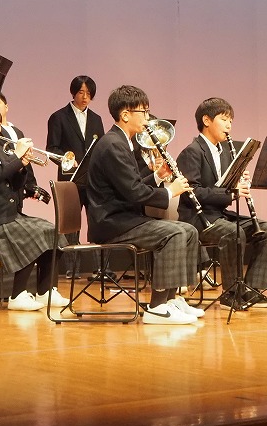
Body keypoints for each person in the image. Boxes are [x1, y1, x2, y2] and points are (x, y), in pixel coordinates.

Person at [85, 85, 208, 325]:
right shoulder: (113, 144)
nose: (148, 118)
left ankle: (172, 299)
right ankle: (157, 307)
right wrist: (169, 192)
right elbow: (133, 192)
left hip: (124, 219)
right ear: (125, 114)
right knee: (173, 233)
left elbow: (132, 184)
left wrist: (158, 176)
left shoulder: (123, 142)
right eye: (144, 112)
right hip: (112, 223)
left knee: (189, 230)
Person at [0, 102, 66, 311]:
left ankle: (45, 291)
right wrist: (16, 157)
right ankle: (17, 295)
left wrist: (22, 166)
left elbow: (14, 184)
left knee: (51, 231)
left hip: (8, 213)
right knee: (30, 236)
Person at [176, 97, 267, 310]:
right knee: (233, 233)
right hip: (197, 218)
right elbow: (192, 192)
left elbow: (224, 186)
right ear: (206, 120)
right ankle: (231, 293)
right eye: (224, 119)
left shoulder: (224, 152)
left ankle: (251, 290)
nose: (229, 125)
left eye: (231, 121)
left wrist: (238, 182)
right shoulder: (192, 152)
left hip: (218, 215)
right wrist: (231, 193)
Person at [46, 75, 105, 177]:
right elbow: (52, 149)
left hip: (92, 177)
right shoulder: (59, 117)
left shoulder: (96, 119)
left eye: (88, 93)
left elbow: (101, 148)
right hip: (69, 175)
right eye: (81, 92)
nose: (85, 97)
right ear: (73, 92)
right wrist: (67, 160)